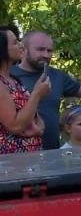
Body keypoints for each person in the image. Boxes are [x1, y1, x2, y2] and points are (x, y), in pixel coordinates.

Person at [9, 30, 81, 148]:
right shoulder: (7, 76)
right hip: (17, 153)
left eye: (49, 50)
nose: (46, 55)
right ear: (23, 49)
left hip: (51, 154)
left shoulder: (56, 76)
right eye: (40, 49)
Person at [1, 25, 47, 155]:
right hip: (11, 162)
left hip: (32, 157)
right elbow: (15, 125)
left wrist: (37, 128)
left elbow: (34, 117)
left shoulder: (15, 81)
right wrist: (37, 93)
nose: (21, 46)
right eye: (15, 43)